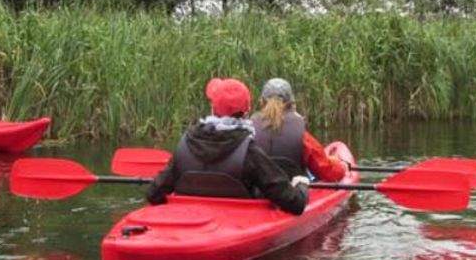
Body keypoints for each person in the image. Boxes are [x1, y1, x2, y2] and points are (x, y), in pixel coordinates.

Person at [145, 78, 310, 215]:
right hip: (236, 221)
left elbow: (153, 194)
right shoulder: (250, 151)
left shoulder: (186, 143)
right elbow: (295, 204)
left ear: (212, 108)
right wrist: (301, 185)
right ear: (247, 112)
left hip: (192, 219)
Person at [251, 78, 347, 182]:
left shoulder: (247, 132)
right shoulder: (303, 138)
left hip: (255, 194)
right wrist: (342, 167)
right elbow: (328, 172)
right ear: (291, 103)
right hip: (293, 194)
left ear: (261, 102)